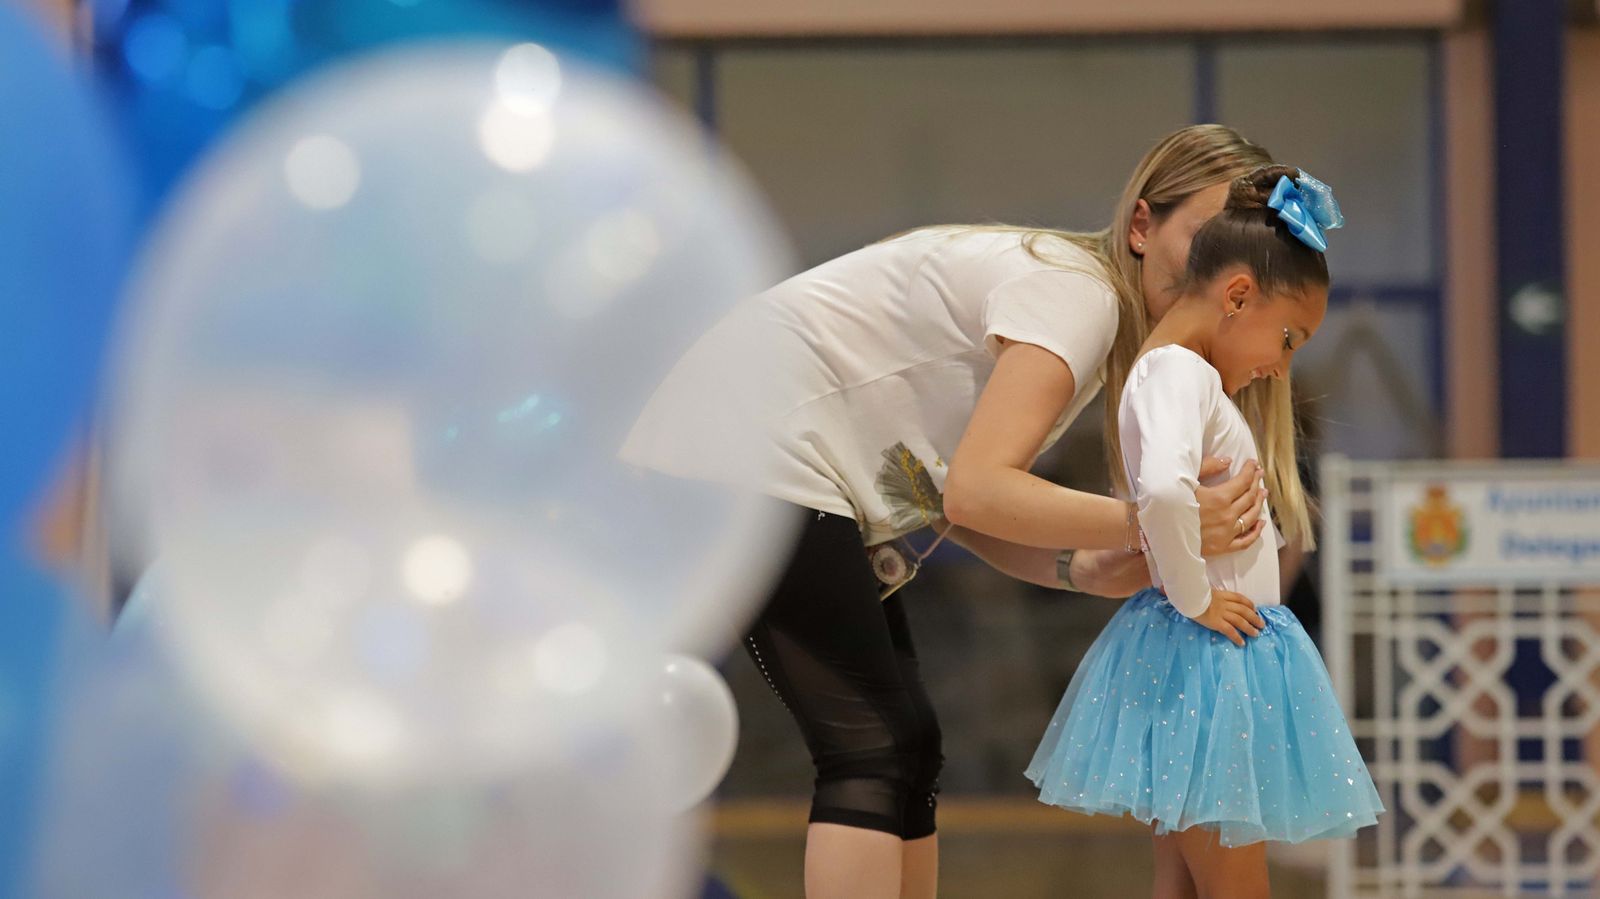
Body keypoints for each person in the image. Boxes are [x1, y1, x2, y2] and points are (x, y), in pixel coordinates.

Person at [621, 124, 1278, 899]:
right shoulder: (1080, 299)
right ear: (1141, 226)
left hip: (755, 453)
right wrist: (1155, 522)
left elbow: (941, 497)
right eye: (1202, 238)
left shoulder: (1082, 312)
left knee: (906, 743)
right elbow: (977, 490)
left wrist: (1077, 567)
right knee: (870, 746)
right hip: (743, 451)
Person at [1024, 165, 1384, 899]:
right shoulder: (1178, 374)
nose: (1281, 367)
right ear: (1238, 295)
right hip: (1208, 659)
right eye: (1288, 338)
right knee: (1234, 881)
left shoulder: (1180, 377)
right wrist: (1195, 598)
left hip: (1208, 654)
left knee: (1188, 878)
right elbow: (1162, 491)